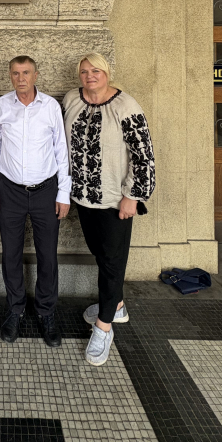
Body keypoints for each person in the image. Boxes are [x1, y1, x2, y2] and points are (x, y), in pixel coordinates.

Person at [63, 52, 155, 366]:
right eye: (84, 71)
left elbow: (143, 154)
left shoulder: (125, 106)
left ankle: (103, 327)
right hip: (83, 196)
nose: (90, 76)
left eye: (96, 71)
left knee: (113, 261)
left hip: (116, 199)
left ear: (107, 73)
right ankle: (116, 304)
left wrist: (133, 196)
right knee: (101, 254)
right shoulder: (71, 100)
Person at [0, 55, 70, 347]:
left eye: (26, 73)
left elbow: (61, 150)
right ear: (10, 76)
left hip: (46, 190)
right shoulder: (1, 106)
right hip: (9, 190)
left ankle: (46, 311)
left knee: (48, 255)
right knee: (10, 254)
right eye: (15, 73)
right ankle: (15, 309)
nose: (20, 78)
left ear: (35, 75)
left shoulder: (50, 107)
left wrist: (63, 193)